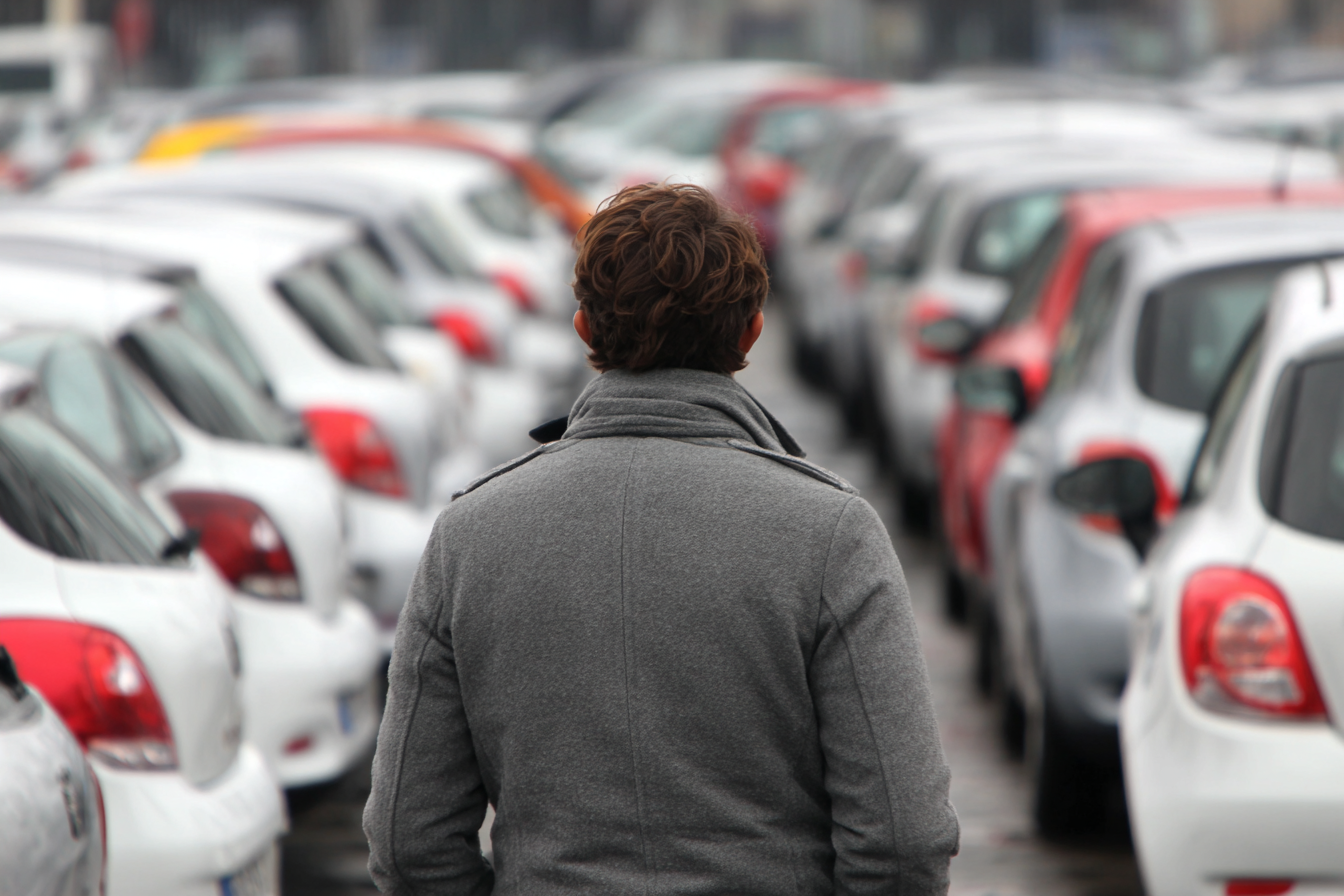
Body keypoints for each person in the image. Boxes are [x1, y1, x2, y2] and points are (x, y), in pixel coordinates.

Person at [364, 183, 959, 895]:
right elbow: (903, 840)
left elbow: (408, 842)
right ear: (750, 332)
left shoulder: (469, 536)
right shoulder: (830, 533)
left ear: (584, 328)